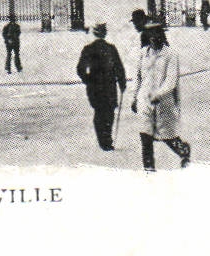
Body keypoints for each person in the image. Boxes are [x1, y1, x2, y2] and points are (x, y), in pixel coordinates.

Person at [131, 15, 190, 170]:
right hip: (145, 101)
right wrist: (134, 98)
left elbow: (171, 80)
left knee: (167, 136)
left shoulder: (171, 55)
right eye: (150, 35)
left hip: (163, 102)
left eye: (156, 34)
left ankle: (183, 150)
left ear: (161, 35)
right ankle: (149, 171)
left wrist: (159, 93)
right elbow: (137, 78)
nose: (153, 38)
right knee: (145, 137)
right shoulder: (143, 54)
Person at [76, 23, 128, 151]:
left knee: (99, 112)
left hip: (94, 87)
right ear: (104, 34)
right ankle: (107, 139)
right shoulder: (111, 48)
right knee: (109, 113)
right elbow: (119, 67)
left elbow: (80, 68)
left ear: (95, 33)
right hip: (109, 85)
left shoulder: (88, 49)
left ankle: (103, 140)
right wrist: (122, 83)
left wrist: (88, 80)